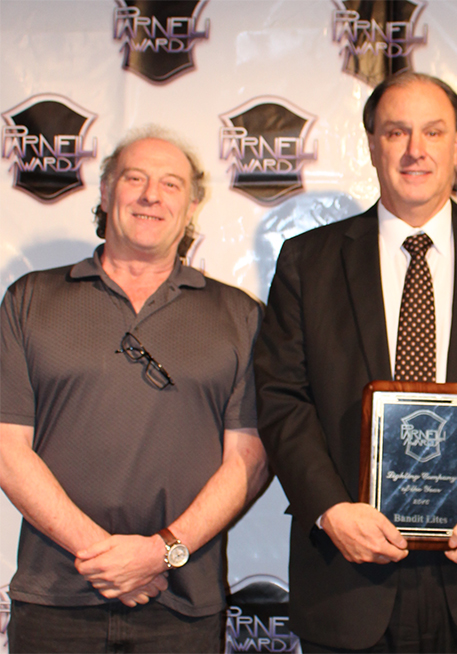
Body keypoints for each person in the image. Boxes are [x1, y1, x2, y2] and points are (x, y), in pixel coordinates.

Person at [255, 72, 457, 653]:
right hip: (348, 575)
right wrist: (329, 509)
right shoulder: (309, 259)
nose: (415, 150)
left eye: (433, 131)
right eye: (396, 132)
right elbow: (282, 397)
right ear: (372, 144)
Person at [0, 126, 269, 653]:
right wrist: (104, 555)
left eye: (171, 184)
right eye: (135, 178)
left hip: (181, 604)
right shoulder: (31, 299)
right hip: (54, 601)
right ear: (105, 193)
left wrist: (161, 553)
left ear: (192, 205)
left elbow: (250, 460)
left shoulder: (240, 316)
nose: (151, 195)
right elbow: (8, 449)